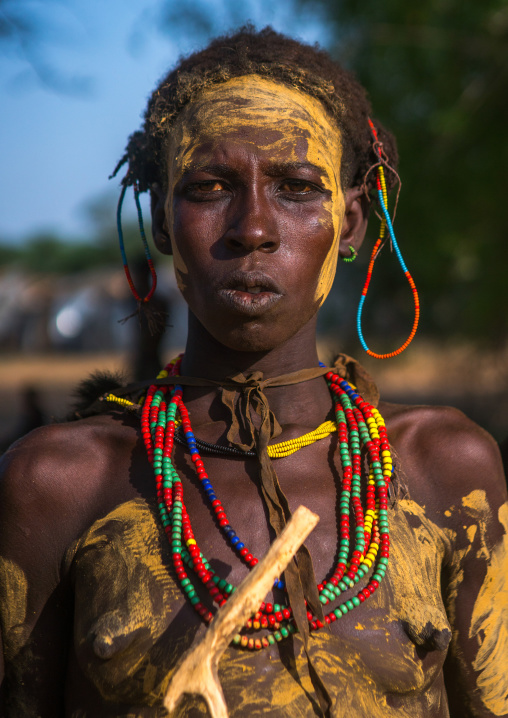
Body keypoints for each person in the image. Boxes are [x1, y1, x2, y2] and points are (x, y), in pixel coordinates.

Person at [1, 26, 507, 718]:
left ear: (352, 223)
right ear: (161, 222)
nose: (253, 227)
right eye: (209, 187)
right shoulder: (59, 486)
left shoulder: (445, 474)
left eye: (298, 188)